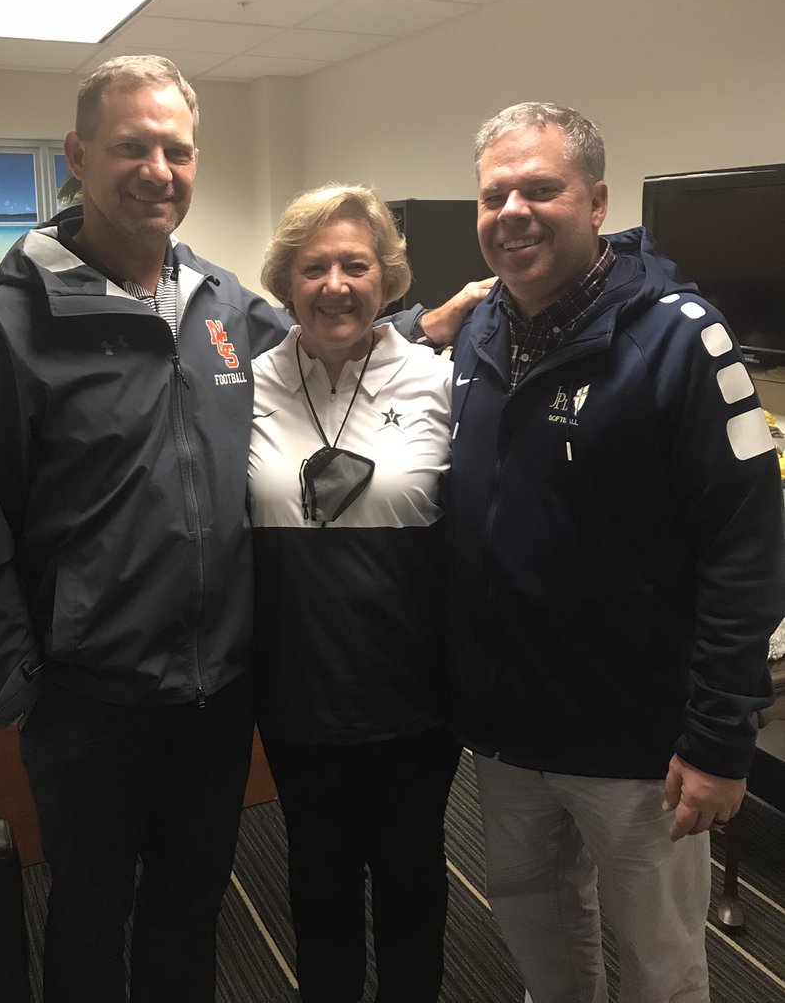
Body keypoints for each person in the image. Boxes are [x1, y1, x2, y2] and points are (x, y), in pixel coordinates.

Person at [0, 55, 486, 1003]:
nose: (158, 170)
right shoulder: (2, 326)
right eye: (131, 147)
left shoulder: (223, 307)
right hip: (89, 698)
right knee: (89, 919)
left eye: (177, 151)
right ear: (77, 156)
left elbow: (331, 336)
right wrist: (22, 687)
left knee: (191, 913)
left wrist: (423, 327)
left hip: (220, 696)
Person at [446, 102, 784, 1003]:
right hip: (509, 727)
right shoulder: (481, 330)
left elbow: (748, 550)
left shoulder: (682, 337)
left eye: (540, 189)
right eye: (494, 194)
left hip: (639, 742)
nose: (512, 211)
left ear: (596, 202)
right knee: (536, 930)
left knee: (661, 966)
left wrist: (720, 739)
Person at [248, 184, 461, 1003]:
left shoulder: (440, 382)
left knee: (412, 876)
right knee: (317, 877)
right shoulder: (247, 388)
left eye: (355, 265)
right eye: (313, 268)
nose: (334, 284)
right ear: (285, 281)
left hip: (415, 695)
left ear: (388, 278)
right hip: (295, 692)